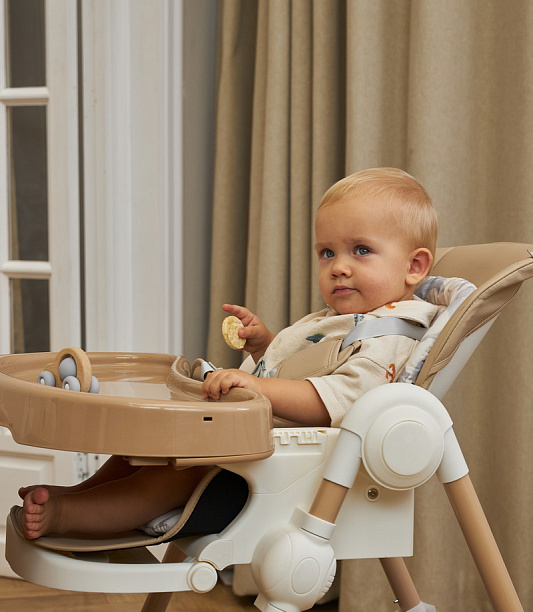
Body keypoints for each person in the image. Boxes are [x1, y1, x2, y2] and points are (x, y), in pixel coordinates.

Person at [20, 167, 439, 541]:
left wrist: (258, 386)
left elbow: (338, 400)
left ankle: (67, 514)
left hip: (276, 468)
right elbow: (309, 368)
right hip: (245, 438)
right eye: (327, 252)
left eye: (361, 250)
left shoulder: (390, 335)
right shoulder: (340, 320)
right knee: (144, 446)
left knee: (171, 475)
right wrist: (265, 346)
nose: (338, 267)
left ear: (415, 267)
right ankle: (79, 493)